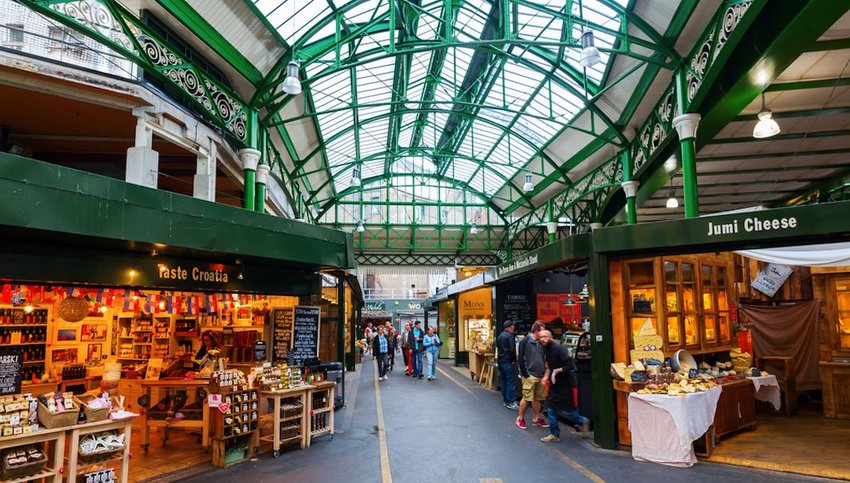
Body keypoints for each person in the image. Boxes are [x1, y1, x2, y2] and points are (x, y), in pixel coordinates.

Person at [540, 329, 590, 442]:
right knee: (551, 409)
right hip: (554, 384)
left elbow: (570, 365)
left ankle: (583, 421)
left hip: (565, 384)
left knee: (569, 411)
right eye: (541, 337)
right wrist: (545, 377)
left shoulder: (559, 349)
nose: (543, 339)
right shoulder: (545, 349)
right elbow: (549, 366)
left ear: (551, 337)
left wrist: (557, 371)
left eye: (545, 336)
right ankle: (554, 434)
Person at [516, 320, 548, 430]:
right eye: (542, 332)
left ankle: (536, 418)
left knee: (538, 398)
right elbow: (520, 359)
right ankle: (520, 418)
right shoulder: (525, 341)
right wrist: (526, 374)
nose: (544, 334)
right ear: (535, 331)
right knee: (527, 398)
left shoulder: (542, 342)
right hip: (530, 374)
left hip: (540, 374)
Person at [497, 321, 519, 410]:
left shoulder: (500, 336)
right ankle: (512, 401)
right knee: (511, 381)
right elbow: (512, 350)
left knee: (504, 381)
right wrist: (514, 360)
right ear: (510, 327)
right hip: (507, 361)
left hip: (500, 361)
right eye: (513, 326)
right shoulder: (510, 336)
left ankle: (506, 401)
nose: (514, 327)